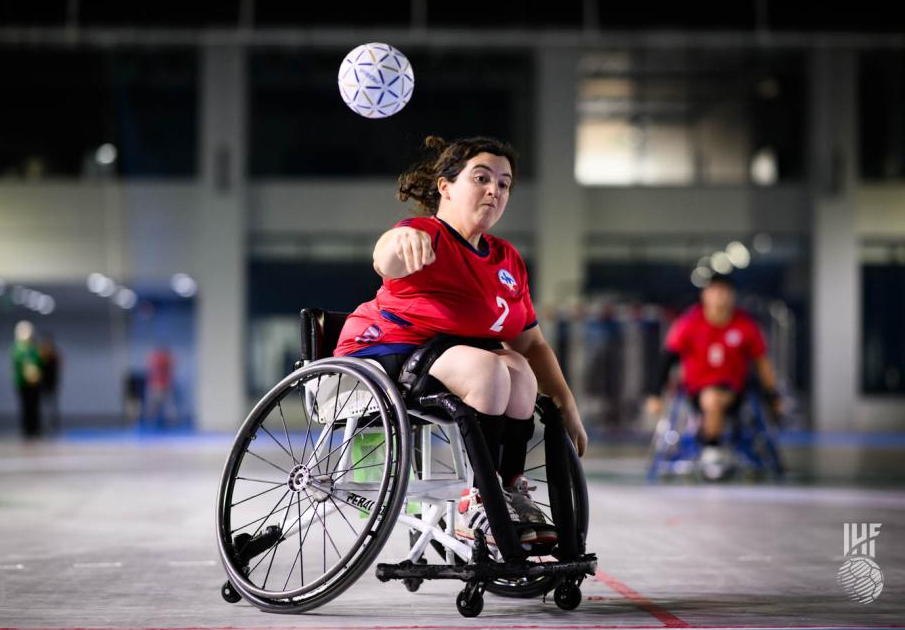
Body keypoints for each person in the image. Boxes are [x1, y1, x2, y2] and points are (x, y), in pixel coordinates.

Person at [334, 135, 586, 548]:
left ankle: (506, 490)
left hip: (451, 361)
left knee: (518, 370)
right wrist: (399, 242)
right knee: (489, 367)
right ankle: (479, 502)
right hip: (384, 356)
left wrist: (567, 405)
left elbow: (532, 345)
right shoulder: (422, 233)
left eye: (504, 184)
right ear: (445, 187)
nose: (494, 190)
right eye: (482, 178)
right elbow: (386, 258)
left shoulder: (506, 259)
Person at [645, 273, 782, 478]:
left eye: (725, 292)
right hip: (695, 391)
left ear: (732, 296)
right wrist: (656, 394)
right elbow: (668, 359)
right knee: (711, 398)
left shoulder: (745, 325)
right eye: (716, 292)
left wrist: (773, 397)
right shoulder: (689, 323)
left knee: (715, 398)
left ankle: (713, 447)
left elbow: (763, 365)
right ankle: (712, 447)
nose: (721, 297)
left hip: (734, 391)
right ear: (705, 295)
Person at [11, 320, 42, 438]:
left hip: (34, 384)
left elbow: (39, 361)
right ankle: (27, 429)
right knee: (25, 407)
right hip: (22, 383)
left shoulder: (33, 348)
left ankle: (35, 428)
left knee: (34, 407)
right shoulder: (17, 348)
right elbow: (18, 361)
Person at [38, 335, 61, 433]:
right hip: (42, 384)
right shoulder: (41, 356)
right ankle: (41, 423)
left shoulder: (54, 356)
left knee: (52, 405)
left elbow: (58, 368)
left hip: (52, 383)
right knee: (42, 405)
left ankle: (53, 423)